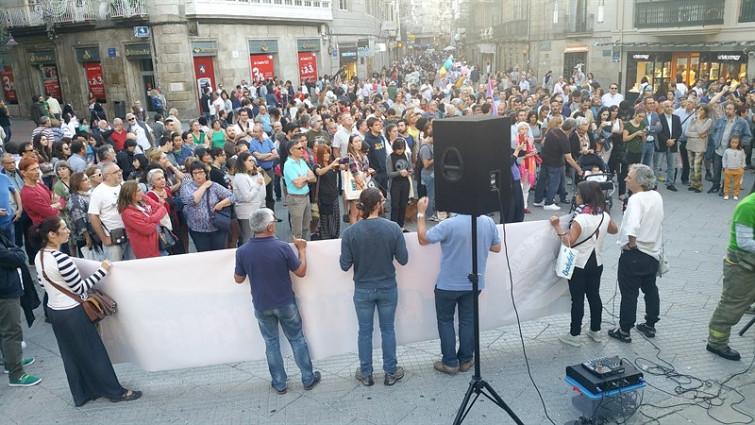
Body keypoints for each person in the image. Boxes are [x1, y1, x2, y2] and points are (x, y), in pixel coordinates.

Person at [33, 216, 141, 406]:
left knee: (71, 355)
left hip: (55, 311)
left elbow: (43, 285)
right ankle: (115, 392)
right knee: (94, 352)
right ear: (51, 235)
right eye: (64, 228)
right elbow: (81, 288)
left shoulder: (40, 256)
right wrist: (103, 270)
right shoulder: (61, 258)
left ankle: (84, 393)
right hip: (73, 312)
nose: (68, 231)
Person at [233, 208, 321, 394]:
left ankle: (279, 383)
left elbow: (238, 279)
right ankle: (307, 378)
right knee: (296, 339)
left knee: (271, 343)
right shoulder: (281, 247)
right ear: (271, 227)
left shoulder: (242, 251)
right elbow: (301, 272)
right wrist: (302, 250)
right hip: (285, 302)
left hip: (261, 304)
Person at [415, 197, 500, 373]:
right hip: (474, 282)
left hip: (448, 283)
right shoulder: (487, 222)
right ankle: (466, 360)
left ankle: (450, 362)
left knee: (445, 321)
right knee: (468, 321)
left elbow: (423, 239)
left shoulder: (449, 224)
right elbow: (496, 247)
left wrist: (421, 213)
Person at [340, 188, 408, 387]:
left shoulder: (351, 232)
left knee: (364, 331)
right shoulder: (393, 228)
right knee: (388, 329)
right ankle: (390, 371)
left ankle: (366, 373)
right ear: (378, 205)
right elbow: (403, 259)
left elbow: (344, 265)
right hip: (387, 286)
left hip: (363, 289)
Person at [550, 181, 618, 346]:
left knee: (578, 299)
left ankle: (574, 335)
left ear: (585, 196)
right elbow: (614, 230)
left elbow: (569, 241)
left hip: (579, 264)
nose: (576, 196)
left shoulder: (580, 218)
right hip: (597, 262)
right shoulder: (604, 214)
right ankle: (596, 330)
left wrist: (557, 226)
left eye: (578, 194)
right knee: (594, 296)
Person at [609, 164, 664, 343]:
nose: (625, 179)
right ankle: (650, 324)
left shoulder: (636, 199)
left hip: (636, 252)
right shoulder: (656, 196)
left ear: (639, 183)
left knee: (629, 293)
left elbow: (632, 225)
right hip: (653, 252)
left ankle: (624, 330)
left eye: (629, 177)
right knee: (650, 288)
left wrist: (631, 245)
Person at [706, 192, 755, 361]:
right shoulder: (748, 206)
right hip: (742, 266)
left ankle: (748, 303)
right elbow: (745, 242)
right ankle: (716, 343)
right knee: (731, 306)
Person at [0, 232, 41, 387]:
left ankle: (11, 360)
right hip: (4, 291)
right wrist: (13, 252)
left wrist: (13, 251)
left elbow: (15, 249)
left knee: (6, 331)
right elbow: (17, 257)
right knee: (11, 332)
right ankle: (16, 374)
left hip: (5, 287)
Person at [179, 161, 233, 252]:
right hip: (197, 229)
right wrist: (204, 186)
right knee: (204, 254)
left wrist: (221, 204)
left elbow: (232, 196)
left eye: (200, 172)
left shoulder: (214, 186)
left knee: (218, 253)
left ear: (205, 173)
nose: (198, 175)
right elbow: (192, 201)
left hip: (216, 226)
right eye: (195, 173)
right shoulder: (187, 187)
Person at [533, 118, 583, 210]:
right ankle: (549, 203)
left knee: (542, 180)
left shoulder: (552, 130)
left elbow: (543, 142)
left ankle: (537, 200)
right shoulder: (564, 139)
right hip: (555, 163)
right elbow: (569, 159)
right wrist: (579, 169)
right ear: (571, 129)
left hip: (544, 160)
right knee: (554, 183)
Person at [88, 163, 132, 262]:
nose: (119, 173)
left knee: (134, 264)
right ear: (106, 176)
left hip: (130, 234)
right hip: (113, 238)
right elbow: (93, 216)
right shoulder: (98, 192)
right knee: (114, 268)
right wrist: (104, 238)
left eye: (119, 170)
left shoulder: (124, 186)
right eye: (116, 172)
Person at [117, 181, 167, 259]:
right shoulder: (127, 212)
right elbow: (147, 229)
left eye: (140, 189)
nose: (141, 192)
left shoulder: (144, 198)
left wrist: (150, 219)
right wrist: (157, 219)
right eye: (138, 191)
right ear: (129, 194)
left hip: (159, 242)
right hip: (147, 250)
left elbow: (162, 208)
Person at [283, 139, 315, 240]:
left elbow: (313, 178)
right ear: (291, 151)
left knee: (306, 227)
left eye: (302, 148)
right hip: (296, 199)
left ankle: (303, 248)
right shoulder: (288, 165)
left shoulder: (302, 161)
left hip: (306, 197)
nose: (302, 150)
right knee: (297, 230)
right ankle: (295, 253)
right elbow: (298, 184)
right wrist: (307, 178)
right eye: (299, 148)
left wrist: (303, 178)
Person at [232, 152, 265, 244]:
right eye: (250, 161)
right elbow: (247, 197)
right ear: (243, 162)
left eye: (253, 161)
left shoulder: (245, 175)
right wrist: (258, 185)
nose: (252, 163)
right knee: (247, 238)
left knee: (252, 237)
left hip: (252, 211)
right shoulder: (241, 177)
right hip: (246, 213)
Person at [312, 144, 343, 240]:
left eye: (328, 153)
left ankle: (335, 237)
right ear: (320, 154)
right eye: (325, 153)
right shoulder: (317, 165)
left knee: (336, 219)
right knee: (326, 221)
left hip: (334, 196)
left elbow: (344, 167)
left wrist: (346, 160)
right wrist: (331, 165)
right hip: (323, 198)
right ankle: (326, 239)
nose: (327, 155)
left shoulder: (334, 166)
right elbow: (319, 172)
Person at [684, 104, 713, 193]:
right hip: (690, 145)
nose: (699, 111)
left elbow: (701, 130)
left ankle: (699, 185)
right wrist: (698, 136)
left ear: (706, 111)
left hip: (700, 147)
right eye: (698, 109)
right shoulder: (692, 119)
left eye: (701, 110)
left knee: (697, 167)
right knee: (691, 166)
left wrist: (699, 120)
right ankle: (692, 183)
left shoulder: (708, 120)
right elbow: (686, 133)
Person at [386, 138, 412, 232]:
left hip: (405, 182)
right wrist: (399, 172)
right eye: (398, 149)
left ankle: (401, 225)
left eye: (402, 148)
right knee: (395, 205)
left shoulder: (407, 155)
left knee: (403, 205)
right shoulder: (390, 157)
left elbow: (410, 168)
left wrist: (408, 172)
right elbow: (389, 173)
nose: (400, 151)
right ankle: (394, 225)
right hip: (395, 184)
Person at [721, 135, 746, 201]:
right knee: (727, 182)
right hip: (728, 169)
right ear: (730, 142)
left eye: (736, 143)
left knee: (737, 183)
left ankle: (736, 194)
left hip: (738, 169)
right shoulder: (727, 150)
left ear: (738, 143)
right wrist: (724, 166)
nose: (734, 144)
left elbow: (743, 159)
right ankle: (726, 194)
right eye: (733, 142)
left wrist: (742, 167)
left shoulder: (741, 151)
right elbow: (724, 159)